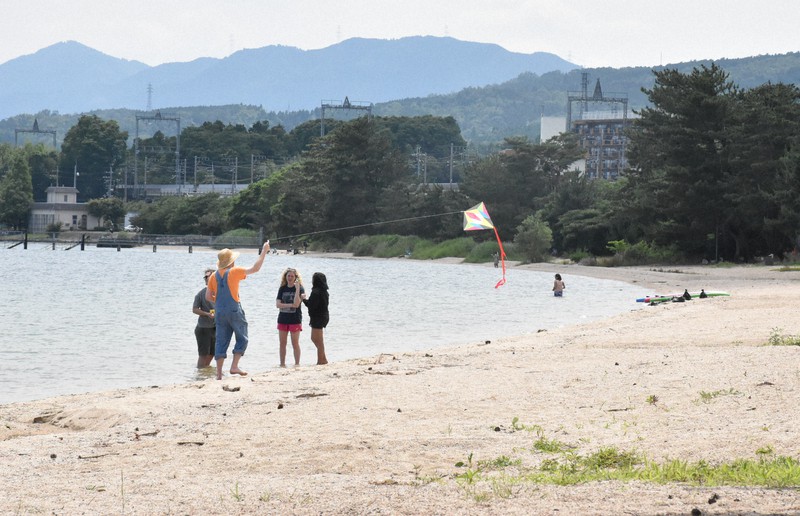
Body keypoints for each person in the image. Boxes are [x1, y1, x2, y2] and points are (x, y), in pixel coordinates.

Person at [206, 241, 271, 380]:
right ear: (231, 262)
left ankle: (218, 374)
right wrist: (264, 250)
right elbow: (255, 268)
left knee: (221, 340)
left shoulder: (213, 275)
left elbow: (208, 296)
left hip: (219, 312)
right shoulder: (234, 271)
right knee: (242, 336)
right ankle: (234, 366)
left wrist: (218, 302)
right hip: (234, 309)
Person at [276, 267, 305, 367]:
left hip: (295, 319)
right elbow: (278, 304)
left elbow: (297, 304)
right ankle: (282, 364)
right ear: (285, 276)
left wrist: (297, 290)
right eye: (288, 275)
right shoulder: (282, 288)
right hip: (283, 319)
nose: (290, 277)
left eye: (292, 276)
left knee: (295, 343)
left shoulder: (300, 288)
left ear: (296, 277)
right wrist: (290, 305)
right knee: (282, 343)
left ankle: (297, 364)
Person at [303, 272, 330, 365]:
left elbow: (311, 305)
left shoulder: (316, 292)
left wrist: (303, 299)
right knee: (319, 339)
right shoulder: (324, 291)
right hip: (324, 316)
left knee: (315, 339)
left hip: (318, 317)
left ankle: (321, 360)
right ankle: (323, 359)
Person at [192, 268, 216, 368]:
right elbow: (194, 309)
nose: (206, 279)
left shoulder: (220, 292)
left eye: (208, 276)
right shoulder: (201, 294)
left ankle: (205, 372)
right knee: (203, 355)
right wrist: (206, 314)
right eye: (205, 277)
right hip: (203, 328)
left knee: (212, 353)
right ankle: (201, 374)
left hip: (215, 327)